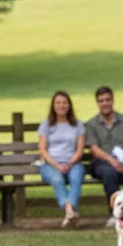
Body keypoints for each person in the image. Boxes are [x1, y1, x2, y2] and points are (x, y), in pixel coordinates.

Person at [85, 85, 123, 227]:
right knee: (109, 173)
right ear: (97, 103)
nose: (105, 103)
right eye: (101, 101)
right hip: (101, 161)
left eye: (107, 100)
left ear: (112, 101)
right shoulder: (91, 124)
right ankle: (115, 214)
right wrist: (111, 161)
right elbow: (94, 148)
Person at [37, 91, 87, 228]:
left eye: (64, 102)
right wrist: (57, 165)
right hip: (50, 164)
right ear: (53, 106)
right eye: (58, 103)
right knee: (57, 179)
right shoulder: (46, 125)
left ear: (69, 105)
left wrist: (70, 163)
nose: (61, 106)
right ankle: (70, 211)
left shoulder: (78, 125)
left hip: (73, 163)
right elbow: (43, 150)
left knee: (77, 177)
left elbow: (80, 149)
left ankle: (69, 212)